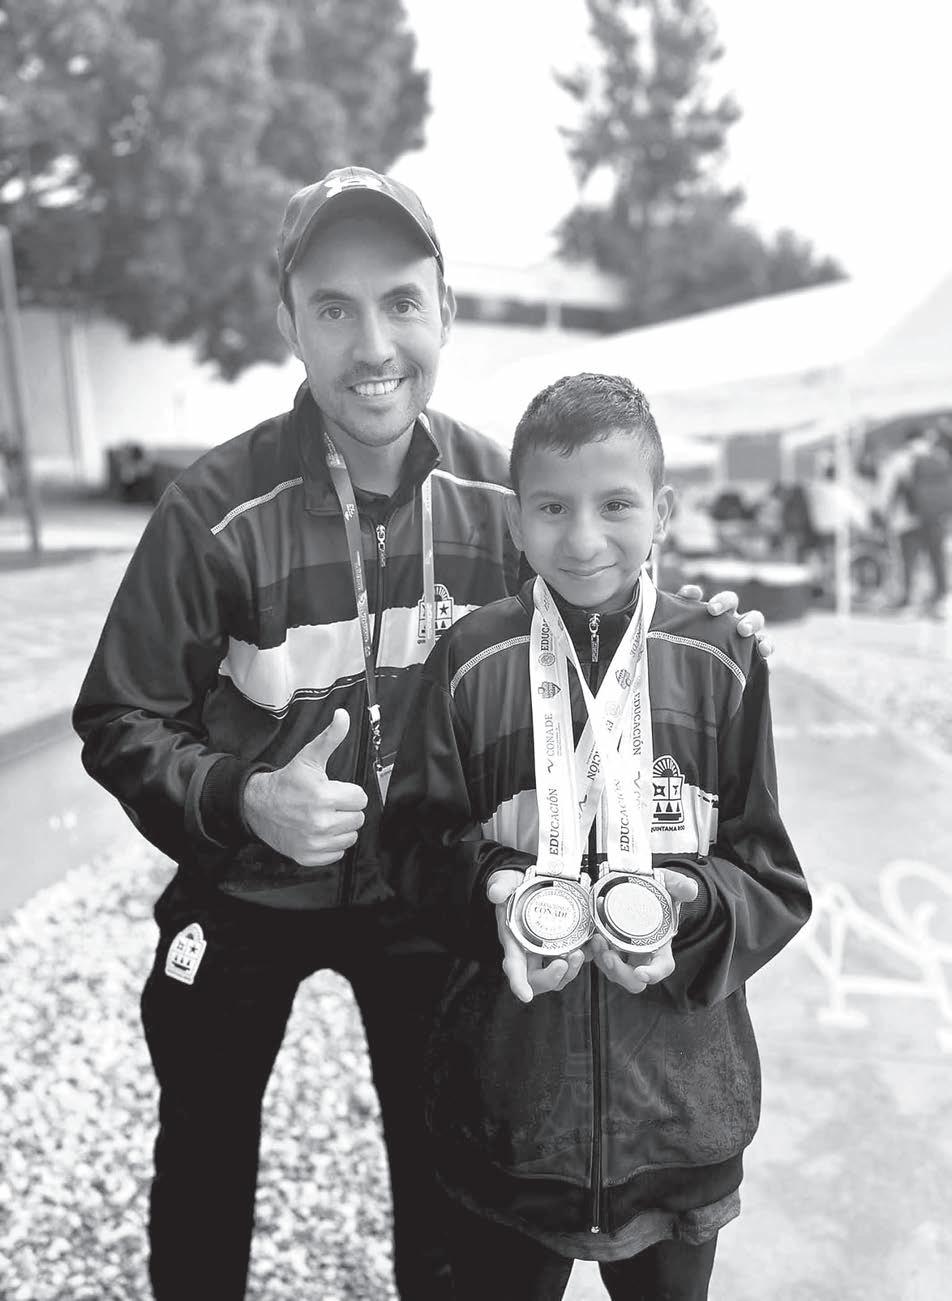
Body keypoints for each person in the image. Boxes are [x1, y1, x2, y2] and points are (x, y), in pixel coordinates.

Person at [73, 169, 773, 1301]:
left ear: (443, 309)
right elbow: (118, 713)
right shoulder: (212, 509)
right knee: (203, 1149)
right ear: (289, 321)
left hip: (428, 889)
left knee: (445, 1164)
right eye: (333, 308)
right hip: (243, 886)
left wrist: (701, 629)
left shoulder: (507, 492)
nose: (373, 345)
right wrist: (242, 798)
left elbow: (602, 601)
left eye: (400, 302)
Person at [383, 373, 810, 1301]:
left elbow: (772, 877)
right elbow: (410, 847)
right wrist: (494, 893)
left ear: (663, 511)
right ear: (515, 520)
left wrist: (693, 903)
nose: (582, 538)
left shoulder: (722, 659)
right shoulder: (469, 661)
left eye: (616, 504)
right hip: (510, 1117)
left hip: (680, 1126)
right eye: (552, 507)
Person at [879, 424, 952, 615]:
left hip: (907, 519)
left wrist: (883, 515)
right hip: (936, 517)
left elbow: (885, 492)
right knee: (937, 559)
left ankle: (909, 600)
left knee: (908, 560)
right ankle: (942, 599)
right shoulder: (939, 457)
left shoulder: (898, 460)